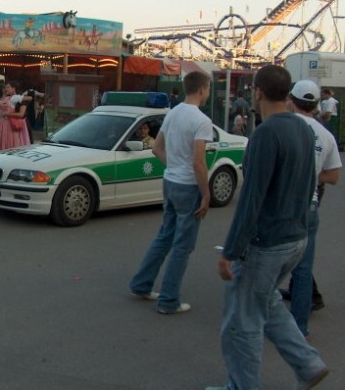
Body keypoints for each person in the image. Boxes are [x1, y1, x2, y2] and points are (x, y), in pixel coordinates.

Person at [207, 65, 329, 390]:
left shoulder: (265, 134)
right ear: (287, 94)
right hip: (296, 238)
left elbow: (251, 199)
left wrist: (230, 252)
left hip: (267, 243)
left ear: (257, 91)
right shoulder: (306, 129)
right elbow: (309, 187)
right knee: (268, 301)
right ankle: (308, 364)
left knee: (242, 325)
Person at [128, 70, 212, 314]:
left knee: (165, 236)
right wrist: (206, 194)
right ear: (202, 89)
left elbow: (157, 149)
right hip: (188, 185)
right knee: (183, 245)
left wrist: (173, 165)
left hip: (170, 181)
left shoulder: (173, 113)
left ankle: (142, 283)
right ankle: (168, 299)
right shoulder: (201, 121)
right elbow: (199, 161)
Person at [284, 80, 341, 337]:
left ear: (291, 100)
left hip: (282, 206)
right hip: (310, 207)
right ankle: (299, 327)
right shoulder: (325, 135)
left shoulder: (285, 128)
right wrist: (313, 175)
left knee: (268, 263)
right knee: (304, 267)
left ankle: (262, 320)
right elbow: (333, 175)